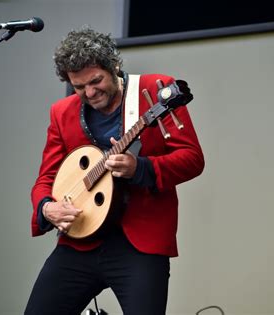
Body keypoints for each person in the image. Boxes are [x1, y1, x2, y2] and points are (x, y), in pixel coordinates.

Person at [25, 26, 204, 315]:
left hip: (139, 242)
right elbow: (46, 178)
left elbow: (193, 159)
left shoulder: (155, 90)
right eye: (79, 87)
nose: (90, 92)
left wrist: (141, 168)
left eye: (96, 81)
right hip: (79, 242)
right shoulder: (62, 112)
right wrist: (47, 208)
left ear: (114, 67)